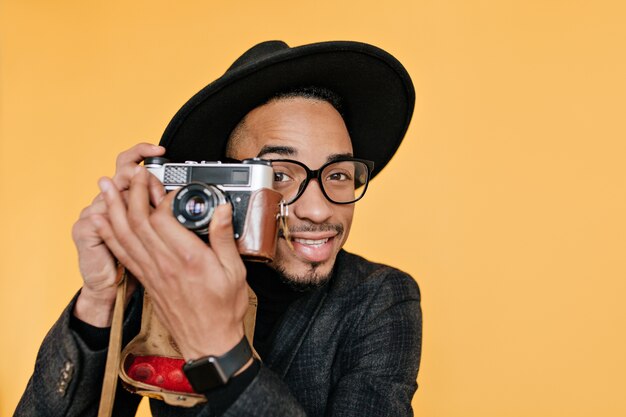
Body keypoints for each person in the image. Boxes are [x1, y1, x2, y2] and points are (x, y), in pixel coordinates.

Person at [15, 40, 422, 417]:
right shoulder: (169, 278)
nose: (318, 210)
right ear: (223, 184)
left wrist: (223, 353)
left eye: (338, 173)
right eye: (279, 174)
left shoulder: (379, 297)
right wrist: (100, 298)